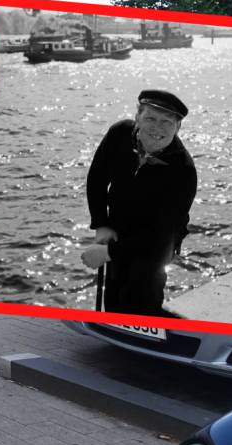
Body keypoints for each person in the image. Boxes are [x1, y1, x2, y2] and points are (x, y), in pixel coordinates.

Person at [80, 90, 197, 317]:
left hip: (157, 240)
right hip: (119, 227)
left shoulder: (184, 171)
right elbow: (97, 178)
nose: (157, 128)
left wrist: (107, 253)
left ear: (178, 127)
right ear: (137, 118)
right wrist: (101, 223)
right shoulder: (118, 134)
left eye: (166, 122)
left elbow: (161, 235)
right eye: (150, 119)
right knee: (114, 297)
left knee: (142, 292)